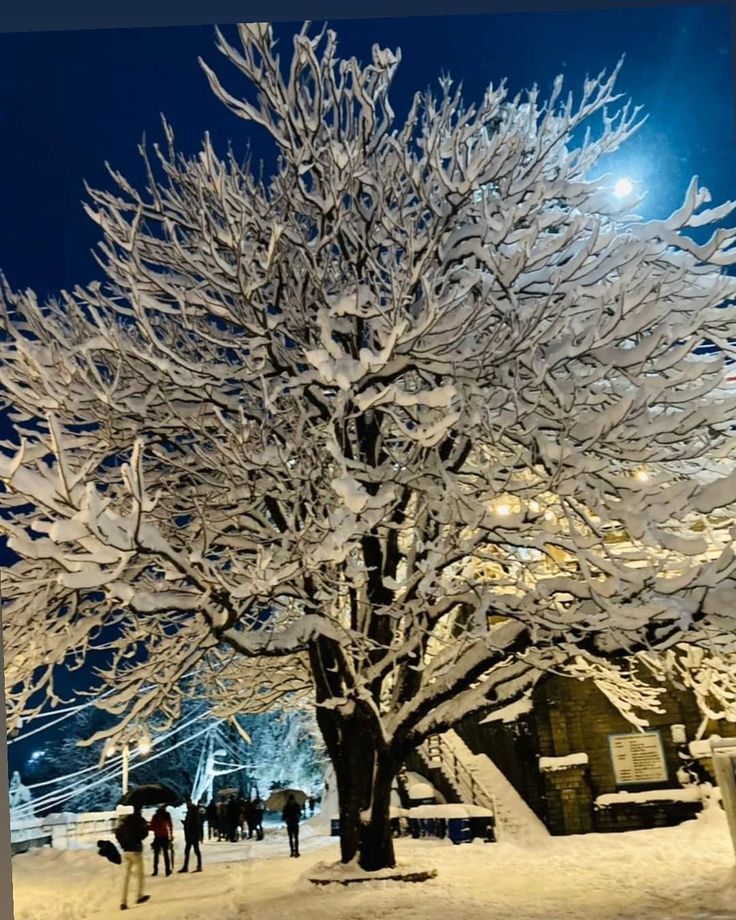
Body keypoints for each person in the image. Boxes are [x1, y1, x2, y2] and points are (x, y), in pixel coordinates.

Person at [114, 804, 151, 911]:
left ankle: (123, 901)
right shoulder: (135, 822)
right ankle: (139, 895)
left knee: (126, 877)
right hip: (136, 851)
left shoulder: (121, 824)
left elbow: (117, 835)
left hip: (126, 852)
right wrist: (145, 828)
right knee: (140, 875)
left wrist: (123, 845)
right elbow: (141, 835)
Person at [178, 799, 203, 873]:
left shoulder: (193, 811)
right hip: (191, 834)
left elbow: (195, 824)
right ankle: (189, 866)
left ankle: (197, 866)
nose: (186, 805)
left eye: (187, 803)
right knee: (189, 851)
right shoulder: (191, 811)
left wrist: (186, 824)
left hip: (192, 834)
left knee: (195, 850)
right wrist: (185, 823)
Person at [149, 805, 173, 877]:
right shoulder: (167, 815)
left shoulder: (155, 816)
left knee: (156, 854)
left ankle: (155, 870)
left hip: (157, 837)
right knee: (166, 854)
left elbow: (152, 827)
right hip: (165, 836)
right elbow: (170, 825)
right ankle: (167, 870)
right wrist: (171, 835)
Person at [282, 794, 302, 858]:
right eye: (291, 800)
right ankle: (292, 852)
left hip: (295, 823)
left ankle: (296, 851)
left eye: (292, 800)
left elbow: (300, 814)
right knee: (291, 838)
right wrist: (287, 819)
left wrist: (298, 816)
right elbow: (283, 816)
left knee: (296, 838)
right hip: (290, 824)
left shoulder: (296, 806)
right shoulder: (286, 807)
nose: (292, 801)